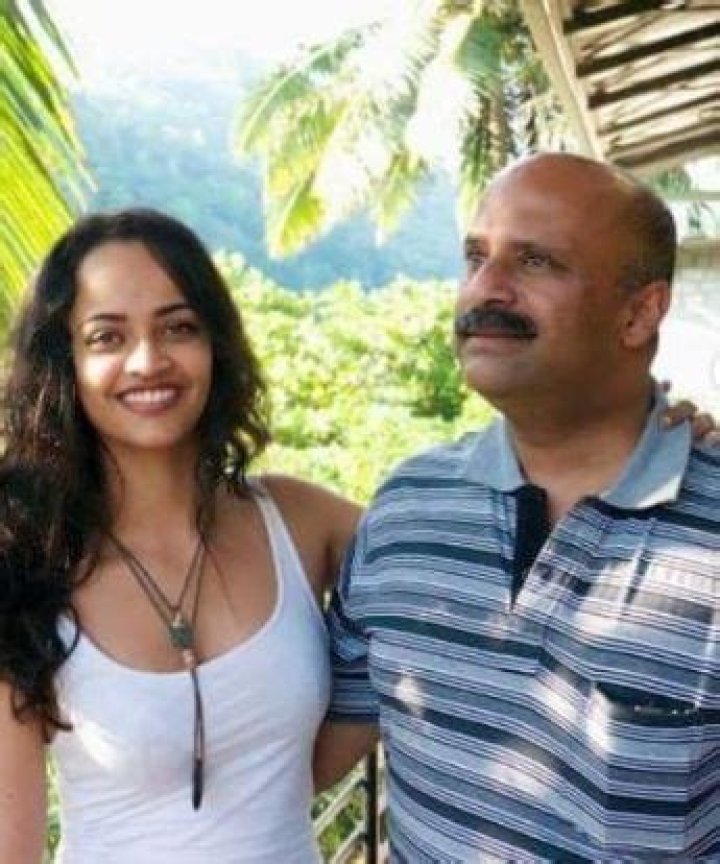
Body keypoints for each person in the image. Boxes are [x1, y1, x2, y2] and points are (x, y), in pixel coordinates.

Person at [315, 153, 720, 861]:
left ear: (638, 312)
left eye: (535, 262)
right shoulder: (407, 509)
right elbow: (300, 757)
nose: (486, 288)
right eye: (476, 257)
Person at [0, 208, 360, 863]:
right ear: (65, 363)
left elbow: (444, 578)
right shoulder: (24, 562)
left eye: (178, 327)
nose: (148, 360)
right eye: (107, 337)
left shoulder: (302, 522)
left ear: (215, 343)